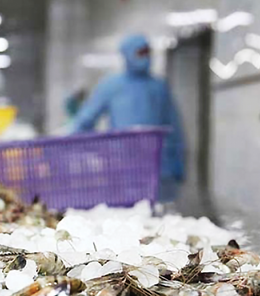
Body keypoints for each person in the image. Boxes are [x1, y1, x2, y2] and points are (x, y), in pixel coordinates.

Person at [70, 34, 185, 200]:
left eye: (147, 53)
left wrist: (177, 165)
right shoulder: (111, 86)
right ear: (127, 55)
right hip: (121, 168)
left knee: (156, 212)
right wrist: (92, 151)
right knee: (125, 212)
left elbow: (174, 128)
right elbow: (84, 122)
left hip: (157, 168)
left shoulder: (159, 87)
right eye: (140, 53)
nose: (145, 57)